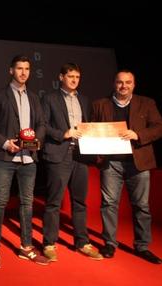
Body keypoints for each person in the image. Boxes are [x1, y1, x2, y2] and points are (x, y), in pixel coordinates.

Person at [0, 55, 48, 269]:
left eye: (27, 69)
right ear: (11, 71)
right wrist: (4, 143)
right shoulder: (0, 95)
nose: (23, 72)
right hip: (5, 158)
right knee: (0, 202)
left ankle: (26, 247)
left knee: (27, 203)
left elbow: (42, 124)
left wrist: (38, 140)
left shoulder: (35, 98)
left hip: (29, 159)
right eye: (19, 68)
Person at [92, 70, 162, 264]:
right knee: (109, 204)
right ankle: (109, 243)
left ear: (134, 84)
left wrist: (137, 135)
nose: (124, 86)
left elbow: (158, 128)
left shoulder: (147, 103)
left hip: (138, 162)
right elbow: (93, 131)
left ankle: (142, 246)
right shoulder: (100, 104)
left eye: (128, 82)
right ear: (114, 84)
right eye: (120, 82)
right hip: (111, 162)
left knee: (142, 206)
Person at [40, 63, 103, 262]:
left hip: (80, 155)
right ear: (61, 77)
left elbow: (87, 125)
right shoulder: (49, 98)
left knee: (79, 202)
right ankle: (49, 243)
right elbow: (43, 126)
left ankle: (82, 242)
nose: (74, 80)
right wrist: (64, 134)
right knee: (53, 202)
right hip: (59, 154)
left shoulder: (84, 100)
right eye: (70, 76)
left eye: (77, 76)